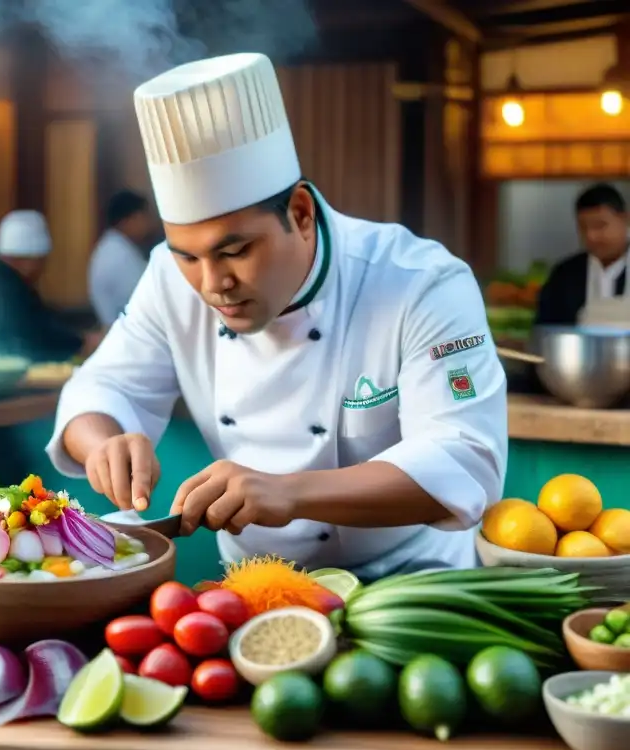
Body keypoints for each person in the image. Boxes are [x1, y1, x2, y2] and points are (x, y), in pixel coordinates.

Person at [44, 53, 508, 581]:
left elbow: (466, 460)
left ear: (301, 215)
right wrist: (104, 441)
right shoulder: (168, 277)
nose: (211, 283)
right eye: (188, 255)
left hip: (414, 583)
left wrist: (289, 491)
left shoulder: (420, 280)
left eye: (235, 251)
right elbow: (102, 387)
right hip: (254, 587)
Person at [0, 210, 99, 362]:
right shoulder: (9, 287)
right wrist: (80, 342)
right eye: (41, 261)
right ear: (29, 259)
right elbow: (35, 334)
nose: (42, 269)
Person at [535, 183, 630, 326]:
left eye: (600, 225)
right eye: (583, 227)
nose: (591, 236)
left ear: (625, 219)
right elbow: (545, 330)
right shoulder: (564, 275)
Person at [88, 190, 154, 326]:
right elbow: (147, 298)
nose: (148, 224)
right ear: (127, 220)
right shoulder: (118, 254)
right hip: (122, 329)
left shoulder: (116, 246)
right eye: (144, 217)